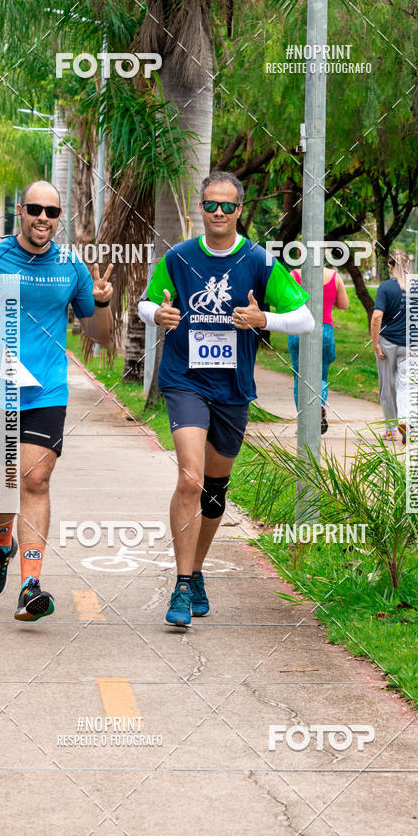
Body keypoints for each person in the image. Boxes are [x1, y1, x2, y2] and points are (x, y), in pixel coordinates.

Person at [139, 170, 314, 628]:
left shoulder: (258, 261)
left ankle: (196, 571)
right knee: (190, 480)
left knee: (215, 491)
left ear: (240, 209)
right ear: (202, 208)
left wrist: (263, 320)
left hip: (233, 389)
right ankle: (179, 585)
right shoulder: (178, 257)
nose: (218, 213)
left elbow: (305, 319)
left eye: (227, 206)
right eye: (210, 205)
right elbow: (144, 302)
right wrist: (157, 313)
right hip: (184, 380)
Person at [0, 180, 113, 620]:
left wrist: (105, 304)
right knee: (3, 485)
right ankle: (2, 544)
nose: (42, 218)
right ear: (20, 210)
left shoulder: (71, 267)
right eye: (35, 209)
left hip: (47, 389)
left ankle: (30, 586)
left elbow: (99, 335)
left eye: (51, 212)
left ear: (59, 219)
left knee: (34, 478)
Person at [287, 255, 348, 433]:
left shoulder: (294, 275)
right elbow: (343, 305)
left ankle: (304, 423)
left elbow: (286, 302)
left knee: (300, 377)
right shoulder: (335, 276)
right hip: (325, 331)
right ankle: (318, 406)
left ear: (300, 255)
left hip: (299, 329)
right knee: (321, 376)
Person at [370, 250, 409, 442]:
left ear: (390, 265)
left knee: (387, 387)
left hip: (387, 342)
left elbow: (377, 316)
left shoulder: (385, 288)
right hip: (411, 344)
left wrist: (375, 342)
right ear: (408, 264)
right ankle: (406, 422)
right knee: (405, 385)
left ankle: (391, 429)